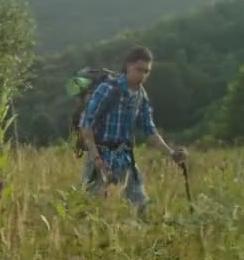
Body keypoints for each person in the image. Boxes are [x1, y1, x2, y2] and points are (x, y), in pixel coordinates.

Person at [79, 46, 188, 210]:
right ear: (128, 65)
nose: (142, 75)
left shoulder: (141, 96)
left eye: (147, 72)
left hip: (124, 159)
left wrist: (171, 153)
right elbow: (86, 124)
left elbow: (150, 131)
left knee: (141, 207)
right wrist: (96, 159)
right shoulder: (108, 89)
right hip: (100, 157)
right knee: (93, 208)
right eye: (139, 69)